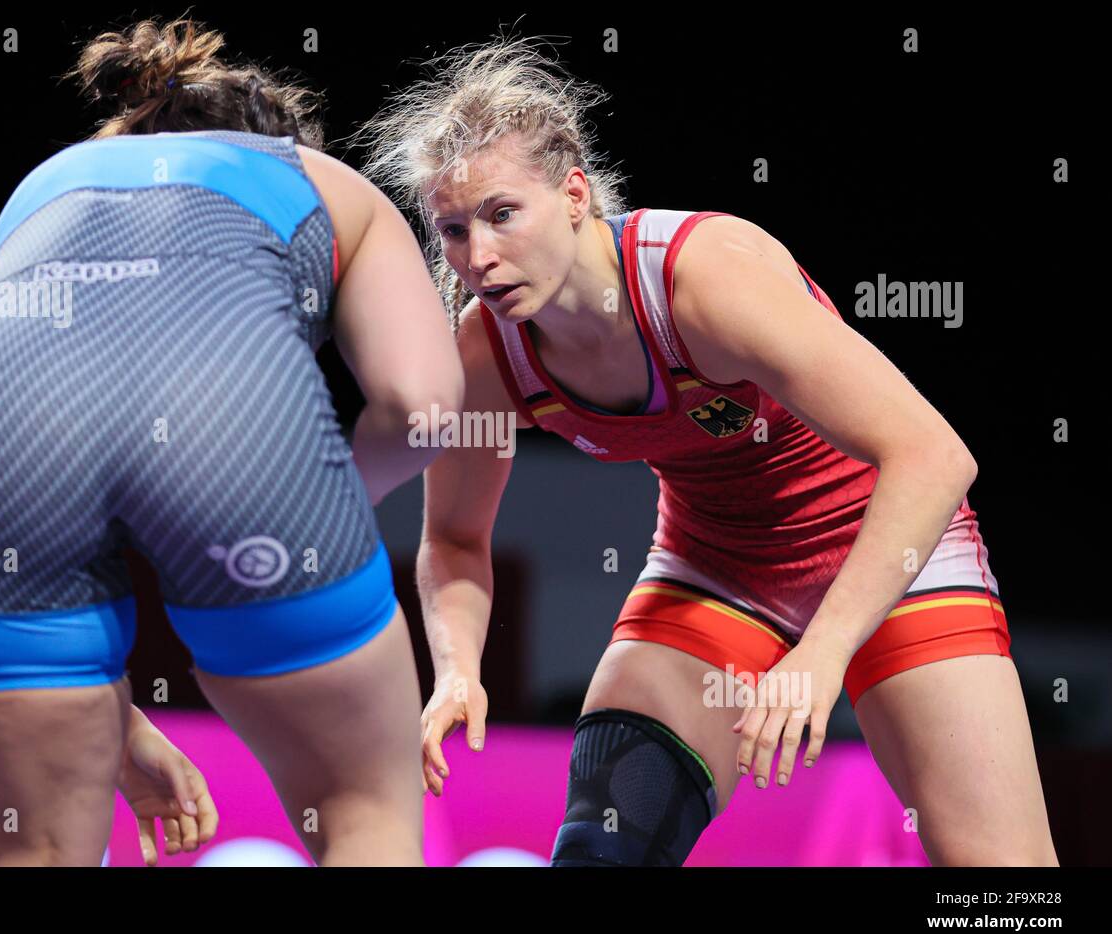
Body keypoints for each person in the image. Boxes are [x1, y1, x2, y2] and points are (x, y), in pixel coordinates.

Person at [357, 37, 1058, 866]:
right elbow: (454, 539)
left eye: (503, 214)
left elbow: (935, 456)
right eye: (453, 230)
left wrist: (822, 654)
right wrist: (458, 670)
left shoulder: (704, 279)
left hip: (894, 545)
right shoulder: (487, 354)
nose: (479, 257)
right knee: (605, 848)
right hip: (715, 563)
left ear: (575, 193)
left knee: (1003, 887)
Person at [0, 18, 462, 866]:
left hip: (5, 470)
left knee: (29, 854)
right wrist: (334, 508)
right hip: (236, 441)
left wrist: (107, 717)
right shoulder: (319, 179)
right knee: (361, 813)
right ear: (278, 140)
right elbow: (424, 412)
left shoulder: (37, 196)